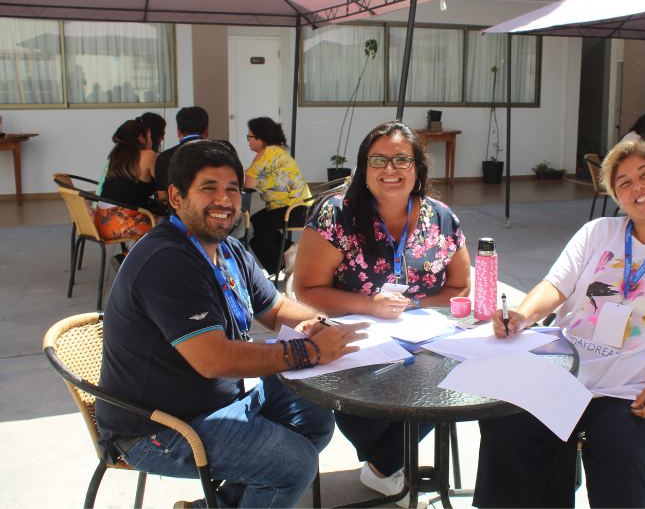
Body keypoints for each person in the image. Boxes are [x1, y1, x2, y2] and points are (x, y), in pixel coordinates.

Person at [95, 140, 369, 509]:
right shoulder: (168, 260)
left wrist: (321, 324)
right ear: (176, 197)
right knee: (292, 465)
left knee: (314, 416)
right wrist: (311, 351)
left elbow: (274, 308)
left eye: (233, 190)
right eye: (209, 188)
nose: (224, 201)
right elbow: (214, 360)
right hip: (160, 428)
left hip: (220, 404)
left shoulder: (227, 248)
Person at [473, 138, 645, 508]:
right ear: (616, 195)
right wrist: (522, 315)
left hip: (631, 389)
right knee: (507, 425)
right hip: (563, 372)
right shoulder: (598, 232)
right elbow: (554, 285)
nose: (637, 187)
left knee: (622, 455)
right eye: (624, 183)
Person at [293, 120, 471, 509]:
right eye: (379, 160)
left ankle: (382, 465)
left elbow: (460, 287)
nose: (390, 169)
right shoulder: (337, 214)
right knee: (362, 406)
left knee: (454, 382)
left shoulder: (440, 218)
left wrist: (414, 306)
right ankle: (386, 463)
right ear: (363, 167)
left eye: (401, 160)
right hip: (356, 335)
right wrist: (370, 305)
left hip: (424, 337)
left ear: (418, 168)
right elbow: (305, 288)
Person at [243, 117, 311, 274]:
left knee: (254, 230)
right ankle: (287, 263)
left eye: (250, 137)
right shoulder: (275, 152)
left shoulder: (267, 152)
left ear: (261, 139)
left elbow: (248, 183)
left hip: (292, 209)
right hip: (296, 206)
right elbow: (252, 174)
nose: (248, 141)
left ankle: (291, 254)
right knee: (255, 227)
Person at [94, 119, 159, 242]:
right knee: (169, 226)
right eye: (149, 137)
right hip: (121, 224)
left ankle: (125, 257)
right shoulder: (149, 155)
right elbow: (163, 190)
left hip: (101, 222)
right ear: (141, 138)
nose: (151, 141)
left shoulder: (116, 155)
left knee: (156, 220)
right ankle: (127, 257)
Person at [155, 106, 234, 200]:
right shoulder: (225, 148)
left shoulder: (164, 157)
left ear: (178, 131)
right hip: (220, 211)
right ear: (207, 130)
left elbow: (163, 198)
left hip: (179, 212)